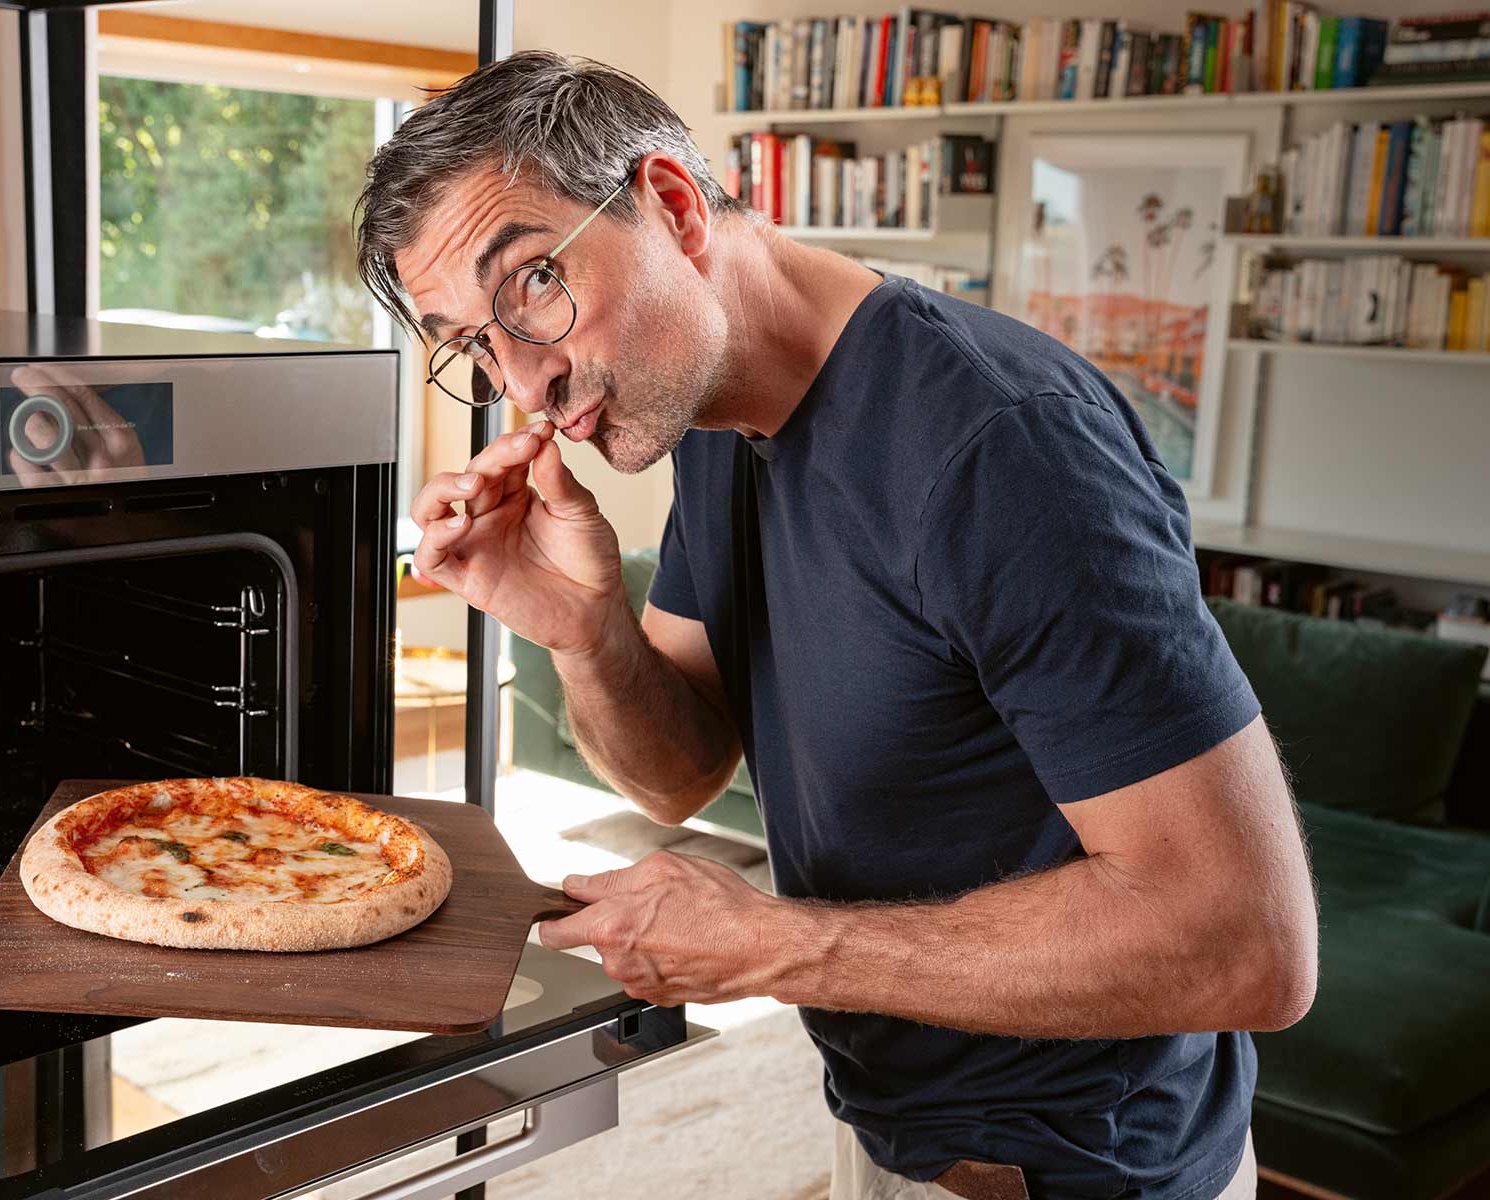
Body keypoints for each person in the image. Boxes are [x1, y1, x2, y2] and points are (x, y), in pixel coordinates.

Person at [355, 50, 1317, 1200]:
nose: (521, 383)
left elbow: (1247, 941)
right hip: (887, 1131)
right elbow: (679, 774)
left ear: (669, 204)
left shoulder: (1001, 448)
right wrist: (581, 626)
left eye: (534, 287)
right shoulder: (711, 414)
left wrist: (772, 941)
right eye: (472, 342)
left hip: (1099, 1176)